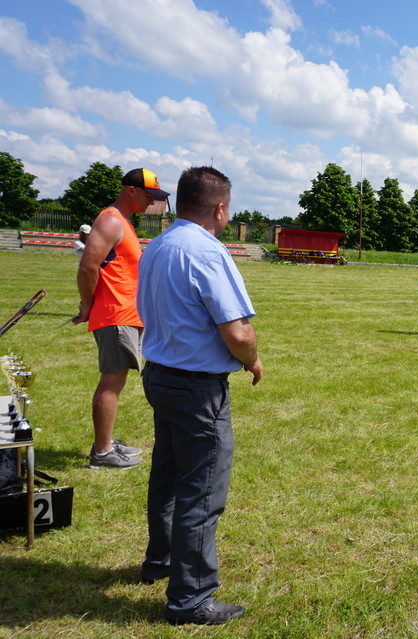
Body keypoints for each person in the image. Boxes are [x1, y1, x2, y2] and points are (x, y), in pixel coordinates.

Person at [138, 166, 262, 626]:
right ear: (220, 208)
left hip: (161, 375)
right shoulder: (207, 252)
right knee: (202, 489)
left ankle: (161, 560)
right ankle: (190, 598)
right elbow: (236, 329)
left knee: (168, 476)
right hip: (196, 388)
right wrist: (251, 358)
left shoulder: (158, 245)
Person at [75, 167, 170, 469]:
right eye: (149, 195)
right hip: (115, 314)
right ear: (131, 190)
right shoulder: (112, 220)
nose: (151, 201)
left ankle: (105, 443)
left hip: (125, 314)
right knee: (111, 383)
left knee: (116, 381)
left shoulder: (123, 223)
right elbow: (89, 267)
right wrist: (88, 306)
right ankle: (102, 452)